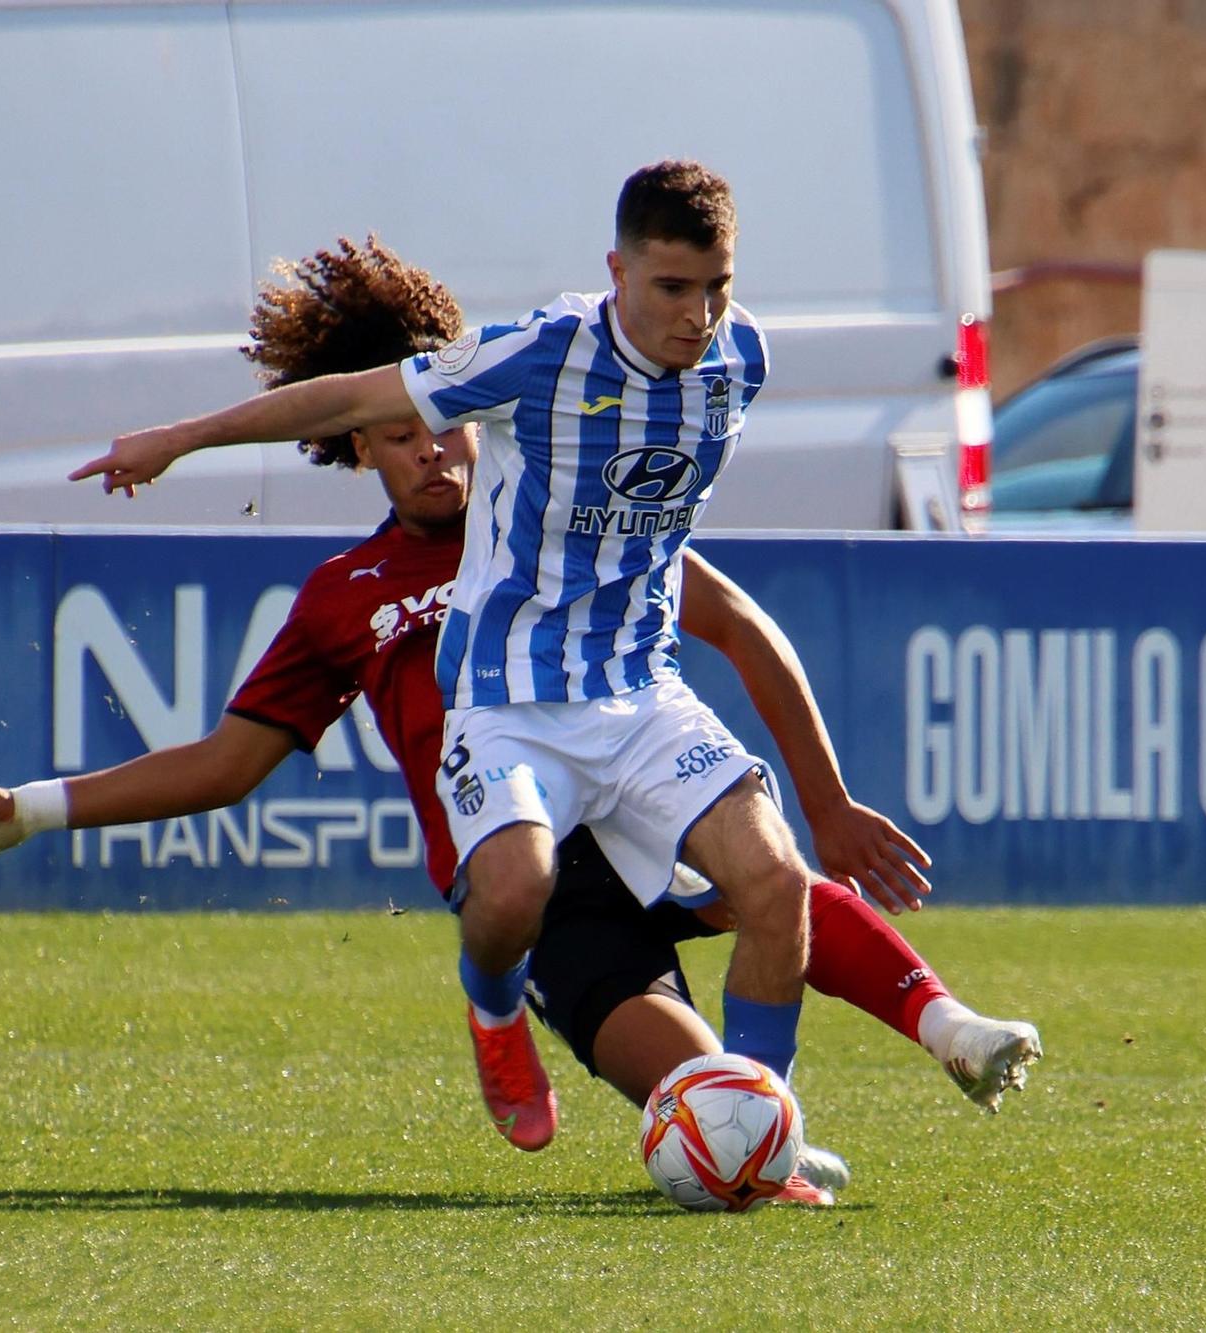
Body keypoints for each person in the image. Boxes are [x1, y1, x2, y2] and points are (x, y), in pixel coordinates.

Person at [0, 236, 1041, 1173]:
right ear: (359, 445)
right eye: (401, 434)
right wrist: (35, 808)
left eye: (448, 424)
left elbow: (738, 624)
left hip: (638, 797)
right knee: (706, 1102)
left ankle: (939, 1029)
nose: (435, 449)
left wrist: (825, 795)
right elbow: (225, 764)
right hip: (537, 888)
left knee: (774, 881)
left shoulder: (568, 521)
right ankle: (580, 1052)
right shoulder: (341, 597)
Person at [73, 162, 827, 1151]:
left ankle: (754, 1137)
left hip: (639, 691)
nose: (697, 316)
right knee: (513, 890)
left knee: (776, 886)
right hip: (509, 702)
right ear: (617, 272)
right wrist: (180, 437)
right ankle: (492, 1003)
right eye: (672, 288)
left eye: (716, 285)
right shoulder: (542, 353)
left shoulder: (742, 361)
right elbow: (340, 397)